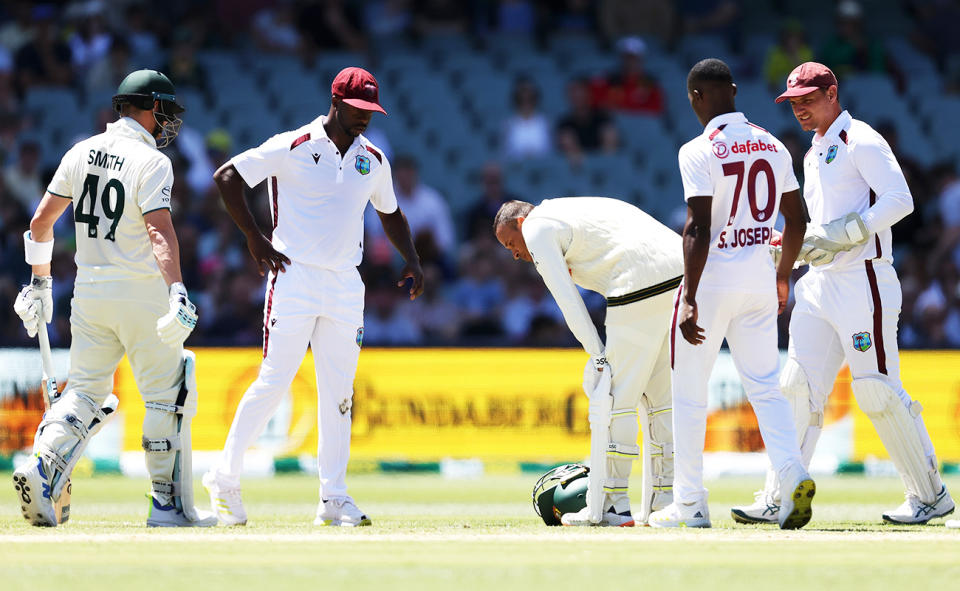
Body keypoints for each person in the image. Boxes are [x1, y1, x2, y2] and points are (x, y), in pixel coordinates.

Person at [731, 62, 955, 525]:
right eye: (793, 103)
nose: (800, 110)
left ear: (832, 93)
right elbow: (824, 226)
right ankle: (781, 495)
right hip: (819, 284)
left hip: (863, 282)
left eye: (808, 100)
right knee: (797, 387)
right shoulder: (815, 150)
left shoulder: (862, 139)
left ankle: (929, 496)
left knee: (876, 391)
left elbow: (900, 199)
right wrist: (796, 248)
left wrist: (849, 231)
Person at [202, 67, 424, 527]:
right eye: (358, 109)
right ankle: (224, 479)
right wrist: (254, 236)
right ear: (336, 101)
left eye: (371, 111)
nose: (365, 118)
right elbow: (227, 177)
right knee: (274, 380)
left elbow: (392, 214)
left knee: (340, 393)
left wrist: (414, 260)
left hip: (345, 283)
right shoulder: (294, 145)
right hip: (294, 276)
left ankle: (334, 498)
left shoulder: (373, 159)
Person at [12, 69, 214, 527]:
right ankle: (166, 507)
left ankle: (43, 465)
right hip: (140, 292)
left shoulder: (80, 151)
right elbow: (159, 231)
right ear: (149, 108)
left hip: (89, 292)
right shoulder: (153, 162)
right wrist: (178, 289)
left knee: (84, 393)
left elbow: (41, 223)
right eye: (166, 111)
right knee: (168, 396)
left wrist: (39, 283)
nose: (169, 123)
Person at [649, 58, 813, 530]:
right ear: (734, 91)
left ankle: (691, 504)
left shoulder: (697, 151)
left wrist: (691, 296)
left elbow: (698, 227)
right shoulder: (774, 145)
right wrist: (783, 276)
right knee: (765, 385)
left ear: (696, 97)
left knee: (689, 391)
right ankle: (792, 473)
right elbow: (797, 220)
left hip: (714, 277)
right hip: (761, 276)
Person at [493, 197, 681, 526]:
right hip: (680, 272)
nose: (515, 254)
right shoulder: (569, 212)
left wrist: (598, 355)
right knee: (660, 399)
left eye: (511, 243)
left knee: (614, 399)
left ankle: (613, 504)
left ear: (522, 223)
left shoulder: (537, 226)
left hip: (637, 279)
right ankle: (665, 502)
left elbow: (567, 300)